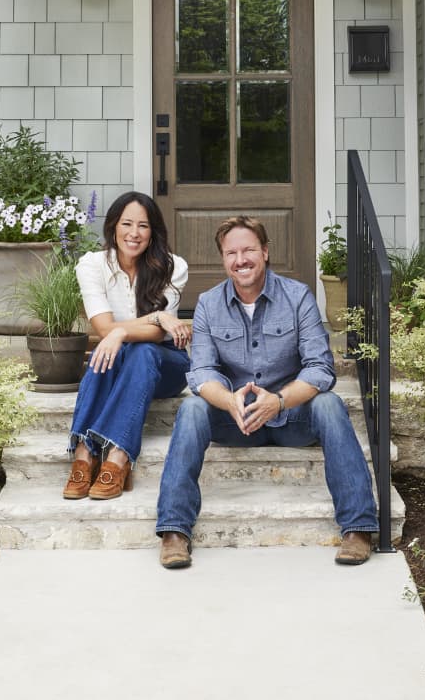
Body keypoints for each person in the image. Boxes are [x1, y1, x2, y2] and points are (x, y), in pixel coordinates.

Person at [155, 214, 379, 568]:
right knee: (193, 409)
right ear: (223, 258)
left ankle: (358, 528)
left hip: (291, 418)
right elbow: (201, 372)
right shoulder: (209, 305)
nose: (240, 260)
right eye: (231, 253)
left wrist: (278, 401)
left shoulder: (297, 297)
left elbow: (321, 368)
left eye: (248, 250)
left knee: (330, 405)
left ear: (265, 252)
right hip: (237, 422)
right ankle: (173, 532)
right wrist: (228, 400)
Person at [64, 191, 192, 501]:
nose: (134, 234)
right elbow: (102, 328)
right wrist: (157, 317)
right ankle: (84, 453)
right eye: (127, 224)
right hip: (116, 362)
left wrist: (120, 333)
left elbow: (155, 336)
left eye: (143, 226)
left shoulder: (173, 266)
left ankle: (119, 455)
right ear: (113, 227)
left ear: (153, 232)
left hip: (167, 367)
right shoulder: (92, 265)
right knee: (103, 352)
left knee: (142, 350)